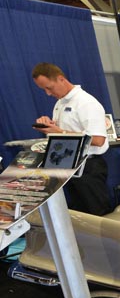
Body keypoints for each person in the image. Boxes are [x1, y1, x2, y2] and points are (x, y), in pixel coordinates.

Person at [31, 62, 111, 215]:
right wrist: (49, 126)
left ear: (61, 79)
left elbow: (98, 140)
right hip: (69, 165)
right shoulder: (60, 103)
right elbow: (66, 132)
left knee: (98, 214)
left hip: (88, 167)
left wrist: (60, 131)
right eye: (44, 89)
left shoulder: (86, 103)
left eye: (49, 88)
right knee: (78, 214)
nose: (48, 93)